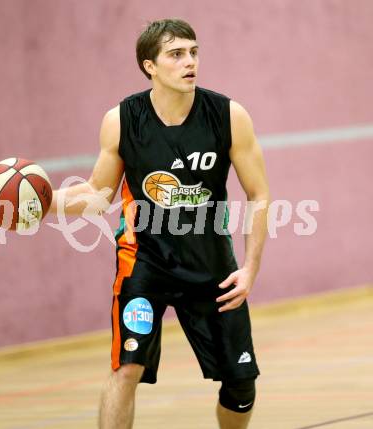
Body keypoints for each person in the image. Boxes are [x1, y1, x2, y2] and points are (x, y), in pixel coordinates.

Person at [50, 18, 270, 429]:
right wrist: (44, 203)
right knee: (125, 368)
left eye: (193, 52)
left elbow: (258, 195)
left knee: (241, 386)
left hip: (210, 266)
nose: (190, 62)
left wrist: (251, 268)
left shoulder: (228, 115)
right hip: (144, 263)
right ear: (149, 66)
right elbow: (98, 194)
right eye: (176, 54)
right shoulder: (121, 119)